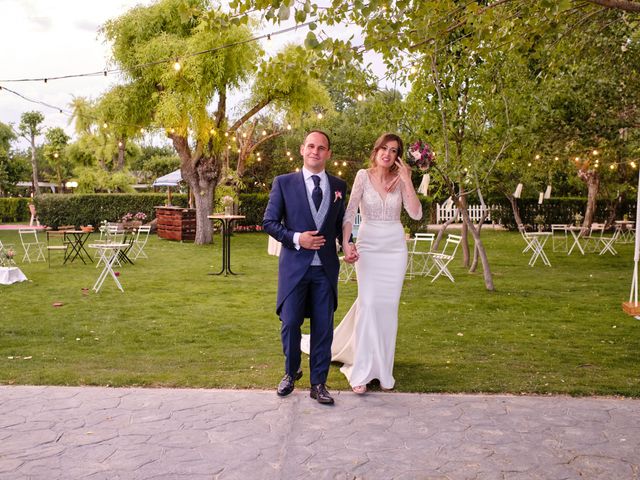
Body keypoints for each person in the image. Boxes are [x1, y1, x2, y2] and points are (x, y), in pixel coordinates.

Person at [311, 133, 422, 394]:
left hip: (394, 248)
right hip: (369, 246)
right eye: (384, 148)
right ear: (376, 151)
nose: (388, 154)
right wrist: (347, 243)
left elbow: (416, 213)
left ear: (398, 157)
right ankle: (360, 370)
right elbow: (349, 213)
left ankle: (383, 369)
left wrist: (407, 180)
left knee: (387, 307)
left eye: (394, 151)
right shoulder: (363, 176)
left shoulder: (401, 179)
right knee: (370, 303)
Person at [263, 130, 355, 405]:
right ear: (302, 150)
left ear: (328, 153)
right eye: (311, 146)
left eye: (322, 147)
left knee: (323, 328)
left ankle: (319, 383)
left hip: (325, 270)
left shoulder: (339, 185)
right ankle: (291, 373)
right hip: (294, 268)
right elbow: (269, 222)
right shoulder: (283, 183)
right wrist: (296, 238)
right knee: (290, 323)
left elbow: (340, 225)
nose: (316, 151)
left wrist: (348, 244)